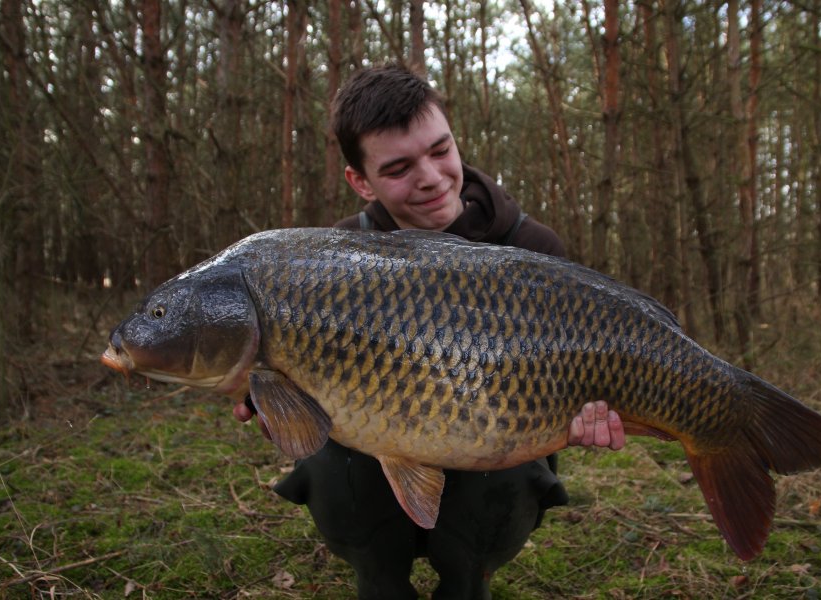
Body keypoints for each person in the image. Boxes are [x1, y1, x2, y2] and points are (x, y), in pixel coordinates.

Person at [233, 64, 626, 600]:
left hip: (495, 451)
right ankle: (381, 583)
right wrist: (277, 404)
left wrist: (588, 416)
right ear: (360, 181)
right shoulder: (333, 261)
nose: (432, 177)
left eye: (440, 150)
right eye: (398, 168)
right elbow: (297, 397)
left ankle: (468, 584)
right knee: (330, 464)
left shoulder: (532, 248)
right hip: (374, 463)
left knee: (502, 482)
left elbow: (588, 367)